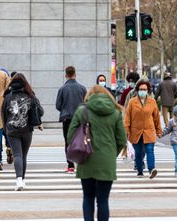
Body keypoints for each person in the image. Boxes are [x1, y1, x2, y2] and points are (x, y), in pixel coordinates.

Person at [67, 85, 126, 221]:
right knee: (103, 200)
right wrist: (112, 153)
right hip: (107, 161)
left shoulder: (82, 111)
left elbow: (70, 136)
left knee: (88, 197)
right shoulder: (115, 112)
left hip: (86, 158)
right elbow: (122, 139)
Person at [2, 73, 43, 191]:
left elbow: (3, 115)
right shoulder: (30, 96)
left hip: (12, 130)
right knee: (23, 155)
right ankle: (22, 180)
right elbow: (41, 111)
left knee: (17, 155)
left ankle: (19, 179)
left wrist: (6, 129)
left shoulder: (7, 97)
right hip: (27, 130)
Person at [124, 79, 162, 179]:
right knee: (139, 152)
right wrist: (126, 130)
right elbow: (127, 117)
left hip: (149, 130)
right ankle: (140, 170)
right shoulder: (132, 102)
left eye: (144, 89)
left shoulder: (152, 101)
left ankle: (151, 169)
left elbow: (156, 117)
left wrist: (159, 130)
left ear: (148, 90)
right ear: (137, 90)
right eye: (141, 89)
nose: (142, 91)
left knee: (150, 150)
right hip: (136, 131)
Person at [56, 66, 87, 173]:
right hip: (80, 118)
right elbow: (86, 103)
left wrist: (65, 109)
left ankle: (70, 165)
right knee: (80, 140)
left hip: (67, 118)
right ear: (75, 74)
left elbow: (58, 105)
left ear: (66, 75)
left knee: (68, 141)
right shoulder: (82, 88)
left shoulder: (62, 89)